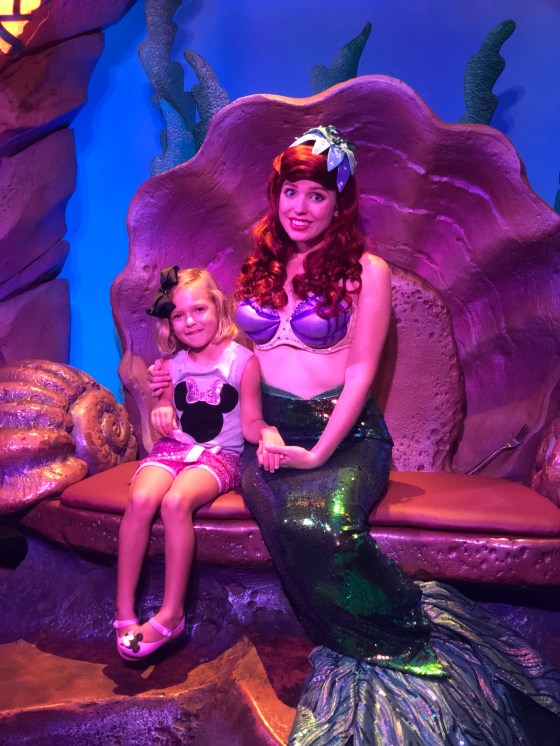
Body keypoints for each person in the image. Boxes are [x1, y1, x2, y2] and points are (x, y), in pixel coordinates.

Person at [150, 129, 560, 742]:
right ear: (276, 195)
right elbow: (225, 350)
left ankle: (403, 632)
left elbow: (363, 370)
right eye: (292, 191)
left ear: (339, 202)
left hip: (345, 432)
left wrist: (318, 450)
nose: (301, 207)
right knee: (290, 522)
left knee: (327, 523)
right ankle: (350, 639)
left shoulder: (368, 272)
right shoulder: (259, 268)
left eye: (317, 195)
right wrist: (170, 381)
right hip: (268, 431)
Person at [114, 267, 282, 660]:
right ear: (169, 322)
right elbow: (166, 406)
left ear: (218, 308)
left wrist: (268, 432)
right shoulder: (171, 364)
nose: (190, 322)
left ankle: (171, 614)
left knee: (175, 502)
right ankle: (123, 611)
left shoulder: (243, 362)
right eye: (178, 315)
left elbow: (251, 421)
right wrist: (161, 410)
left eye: (199, 310)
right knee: (141, 499)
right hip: (172, 449)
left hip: (219, 456)